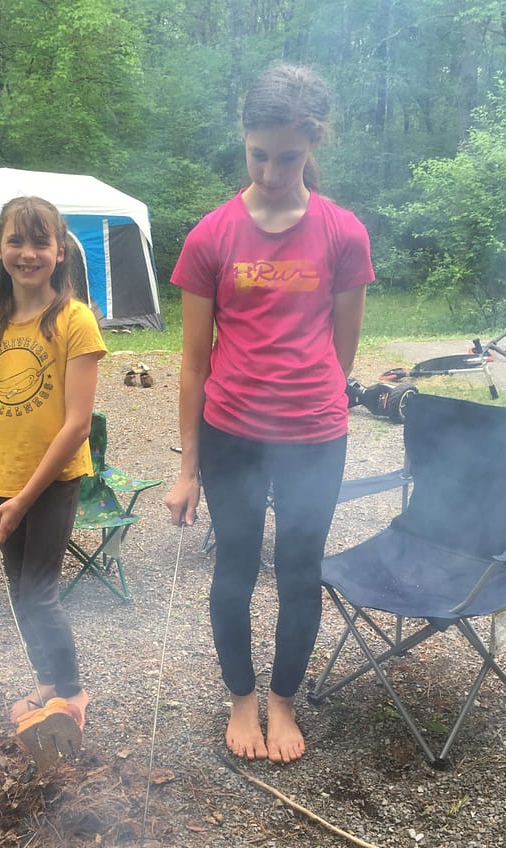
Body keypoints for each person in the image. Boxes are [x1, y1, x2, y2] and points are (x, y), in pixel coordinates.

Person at [165, 63, 375, 764]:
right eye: (259, 154)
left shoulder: (344, 234)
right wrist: (187, 469)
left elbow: (341, 348)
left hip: (315, 435)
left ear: (312, 142)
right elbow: (194, 363)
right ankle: (242, 700)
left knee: (298, 569)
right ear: (244, 140)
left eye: (288, 156)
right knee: (234, 567)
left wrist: (304, 400)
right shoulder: (211, 237)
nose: (272, 170)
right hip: (231, 434)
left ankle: (283, 701)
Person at [0, 196, 107, 733]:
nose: (28, 253)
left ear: (60, 251)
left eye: (40, 241)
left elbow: (77, 425)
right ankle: (47, 686)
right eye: (16, 241)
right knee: (19, 592)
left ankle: (72, 693)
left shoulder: (74, 321)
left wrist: (24, 500)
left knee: (39, 591)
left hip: (51, 484)